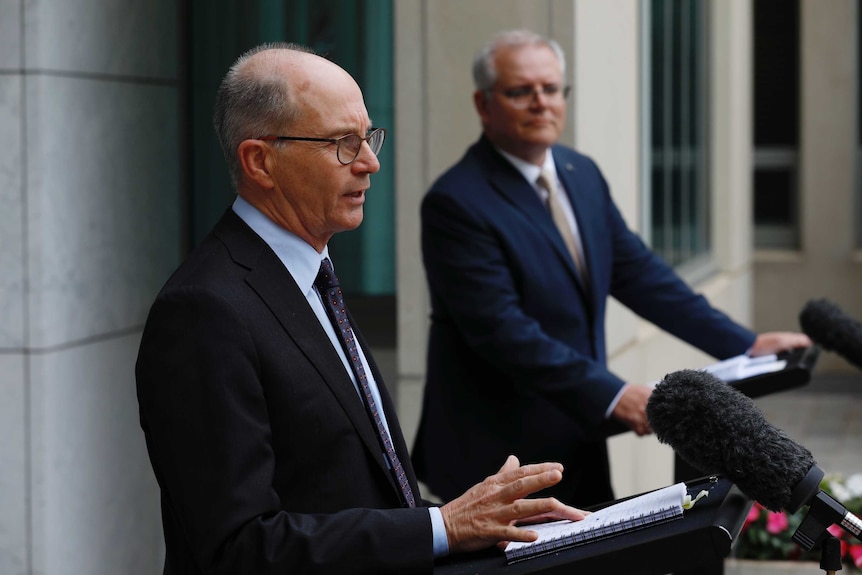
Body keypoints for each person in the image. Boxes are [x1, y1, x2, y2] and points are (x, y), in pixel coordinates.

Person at [135, 42, 587, 575]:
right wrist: (443, 527)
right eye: (342, 144)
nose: (370, 163)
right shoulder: (203, 312)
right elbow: (239, 548)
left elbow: (353, 492)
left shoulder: (308, 275)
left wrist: (473, 527)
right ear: (260, 161)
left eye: (369, 137)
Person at [411, 29, 812, 508]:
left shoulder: (580, 173)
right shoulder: (456, 202)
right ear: (484, 104)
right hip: (497, 455)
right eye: (521, 91)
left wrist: (744, 344)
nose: (542, 103)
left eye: (552, 88)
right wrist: (613, 393)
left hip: (577, 437)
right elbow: (502, 331)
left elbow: (641, 275)